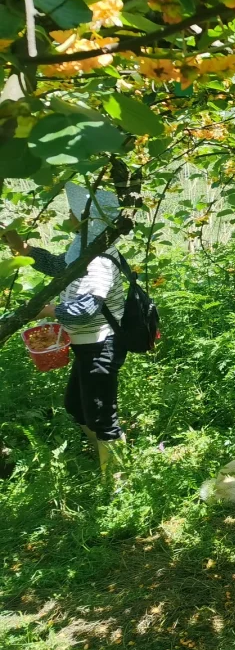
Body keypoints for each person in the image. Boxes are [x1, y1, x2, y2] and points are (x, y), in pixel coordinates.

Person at [2, 184, 130, 476]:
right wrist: (16, 242)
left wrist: (46, 311)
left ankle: (117, 479)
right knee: (76, 405)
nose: (68, 214)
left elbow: (86, 310)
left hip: (101, 345)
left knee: (101, 415)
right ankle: (105, 455)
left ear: (87, 219)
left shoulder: (98, 259)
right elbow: (57, 265)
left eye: (73, 210)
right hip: (86, 344)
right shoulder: (84, 248)